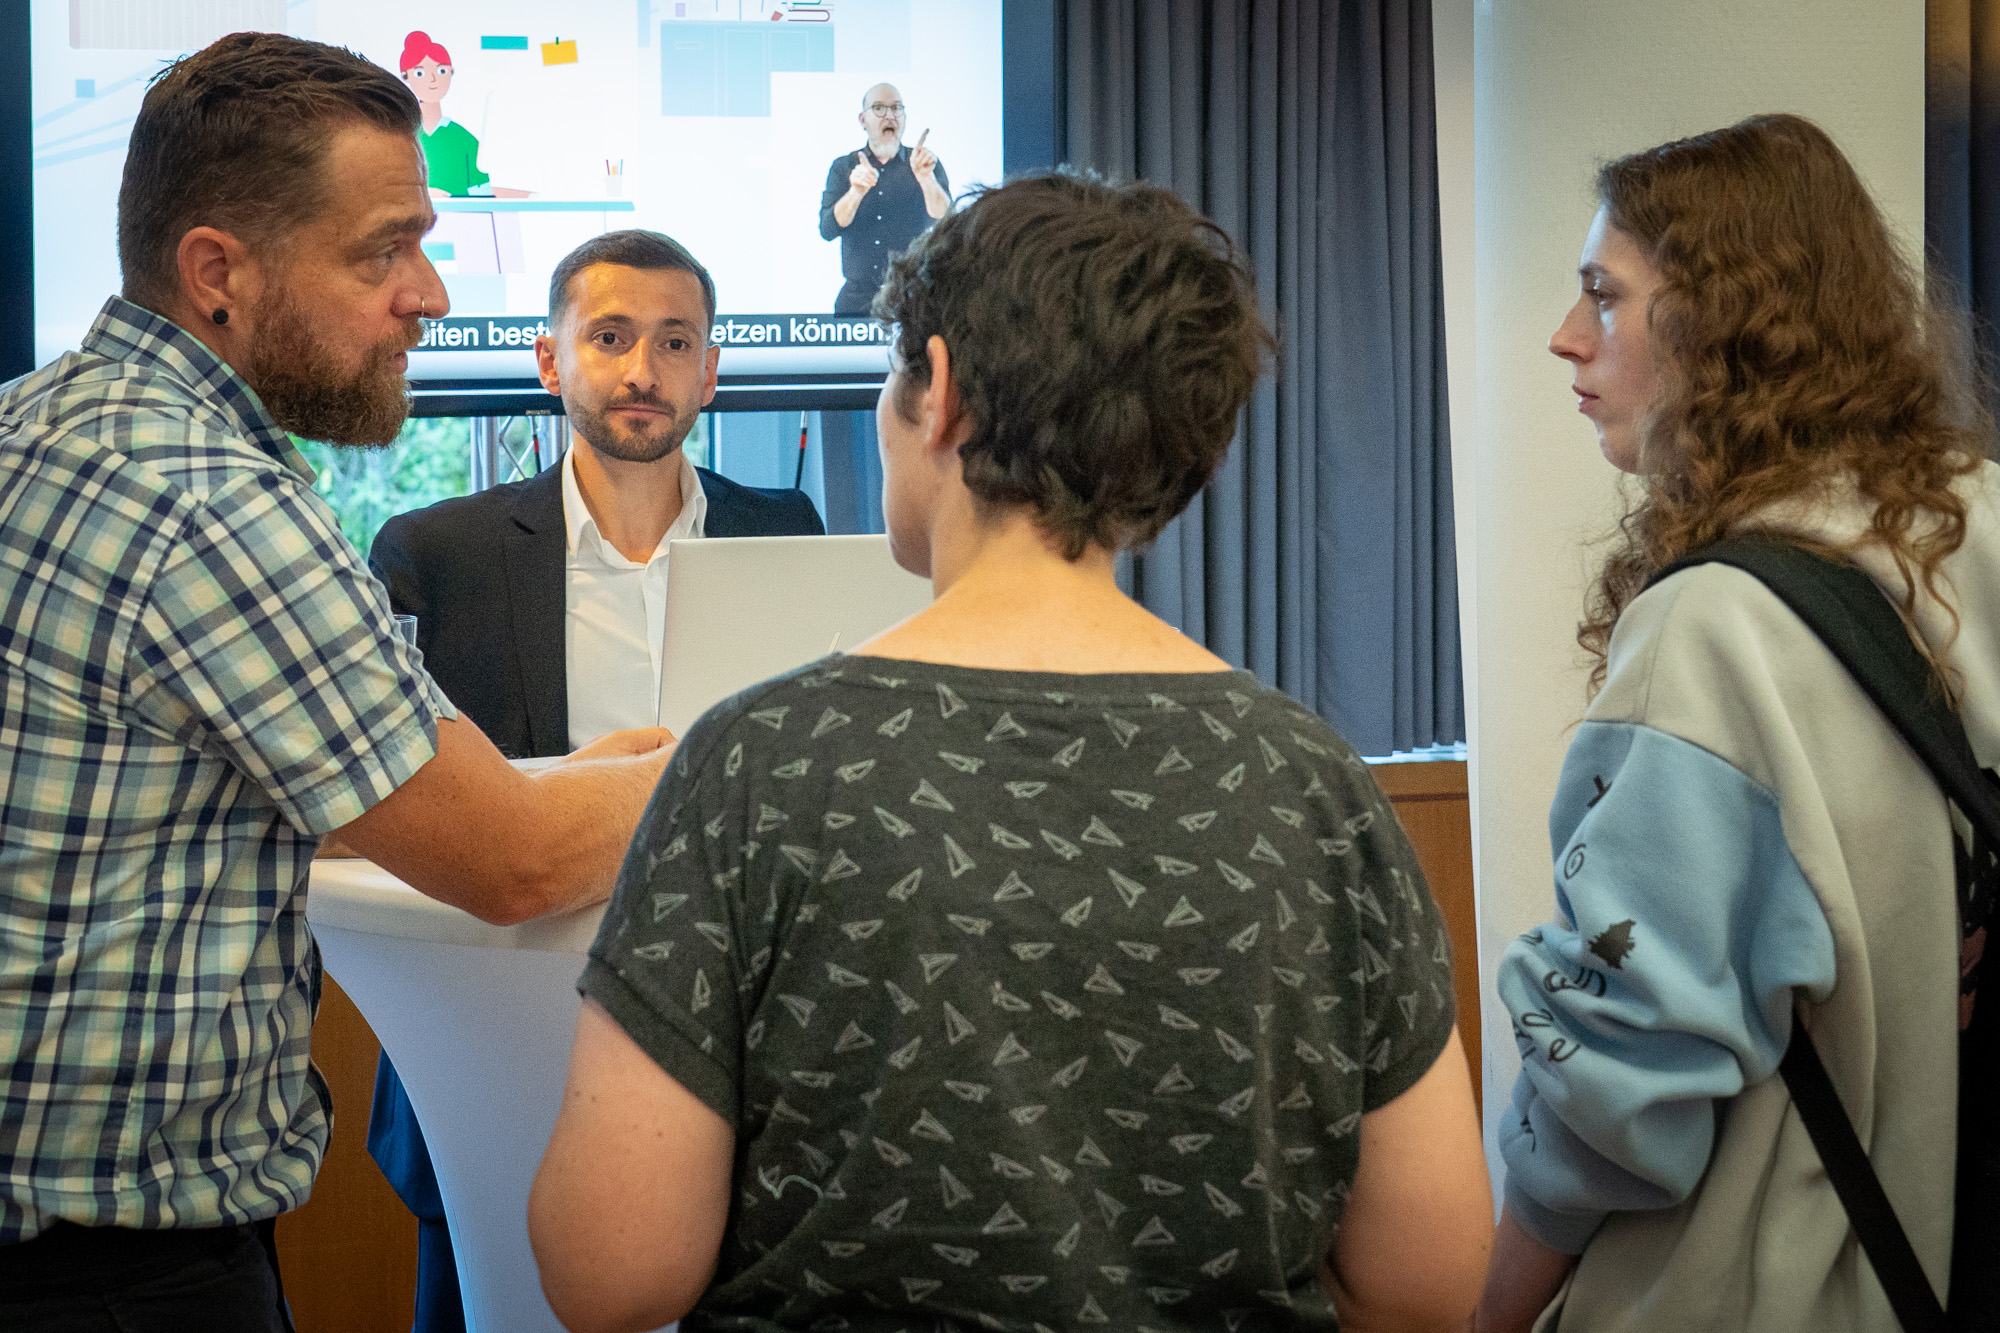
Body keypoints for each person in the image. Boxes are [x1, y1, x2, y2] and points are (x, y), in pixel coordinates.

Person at [528, 170, 1493, 1333]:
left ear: (936, 393)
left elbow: (609, 1272)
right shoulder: (1313, 779)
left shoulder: (758, 765)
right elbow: (1433, 1280)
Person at [0, 33, 674, 1332]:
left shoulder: (40, 426)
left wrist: (587, 782)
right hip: (118, 1278)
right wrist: (754, 754)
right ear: (218, 275)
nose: (428, 293)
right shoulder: (212, 502)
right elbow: (513, 864)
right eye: (383, 251)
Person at [1473, 113, 1998, 1332]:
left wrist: (1489, 1313)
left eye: (1601, 296)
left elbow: (1619, 1076)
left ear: (1722, 320)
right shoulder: (1967, 532)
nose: (1563, 339)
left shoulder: (1708, 632)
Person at [364, 229, 823, 1332]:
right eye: (609, 337)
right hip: (493, 1043)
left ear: (710, 370)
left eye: (675, 343)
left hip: (739, 1056)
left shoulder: (788, 531)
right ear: (547, 360)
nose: (641, 371)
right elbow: (388, 808)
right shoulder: (434, 551)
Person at [817, 83, 948, 314]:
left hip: (913, 295)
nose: (889, 115)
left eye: (896, 108)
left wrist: (926, 179)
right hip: (857, 298)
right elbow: (828, 230)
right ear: (863, 120)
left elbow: (946, 220)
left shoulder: (924, 164)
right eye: (879, 108)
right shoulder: (844, 167)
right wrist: (856, 191)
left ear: (904, 117)